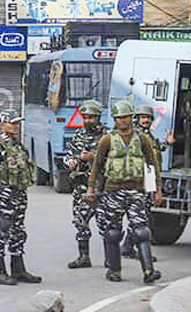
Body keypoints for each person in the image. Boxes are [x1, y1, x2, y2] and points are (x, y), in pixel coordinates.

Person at [86, 100, 163, 284]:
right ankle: (114, 270)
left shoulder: (142, 139)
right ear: (114, 119)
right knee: (112, 232)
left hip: (136, 190)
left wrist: (157, 189)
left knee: (142, 231)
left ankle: (148, 271)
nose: (123, 121)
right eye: (119, 118)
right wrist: (91, 188)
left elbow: (152, 164)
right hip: (113, 191)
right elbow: (97, 165)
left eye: (126, 117)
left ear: (131, 118)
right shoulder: (107, 139)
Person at [0, 110, 41, 286]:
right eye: (12, 123)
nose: (15, 126)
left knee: (18, 232)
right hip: (3, 195)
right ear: (3, 124)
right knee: (0, 231)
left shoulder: (17, 145)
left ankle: (18, 269)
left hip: (19, 194)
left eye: (17, 123)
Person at [121, 105, 174, 259]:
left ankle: (127, 246)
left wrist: (167, 143)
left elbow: (156, 150)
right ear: (137, 118)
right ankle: (138, 250)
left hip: (148, 180)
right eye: (143, 117)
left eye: (148, 118)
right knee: (140, 216)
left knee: (141, 215)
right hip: (138, 181)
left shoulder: (148, 135)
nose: (146, 120)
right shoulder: (134, 135)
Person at [65, 100, 108, 269]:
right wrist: (71, 161)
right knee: (80, 221)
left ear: (98, 117)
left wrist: (94, 157)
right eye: (85, 117)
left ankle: (110, 258)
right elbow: (69, 154)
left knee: (106, 223)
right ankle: (84, 257)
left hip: (102, 186)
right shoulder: (79, 135)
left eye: (91, 117)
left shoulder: (108, 136)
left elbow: (115, 159)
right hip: (82, 185)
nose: (88, 120)